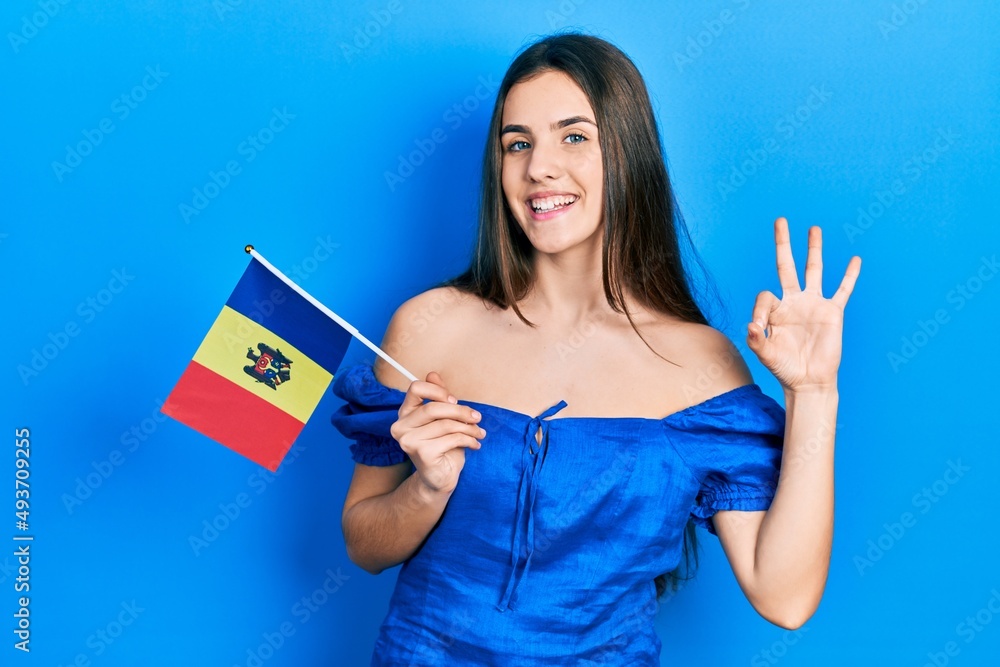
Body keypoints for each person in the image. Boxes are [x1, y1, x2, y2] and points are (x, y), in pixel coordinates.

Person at [331, 32, 860, 665]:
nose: (539, 167)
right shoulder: (428, 326)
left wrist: (814, 392)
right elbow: (363, 545)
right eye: (518, 143)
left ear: (627, 154)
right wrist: (426, 490)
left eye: (574, 137)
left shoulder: (700, 365)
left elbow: (785, 597)